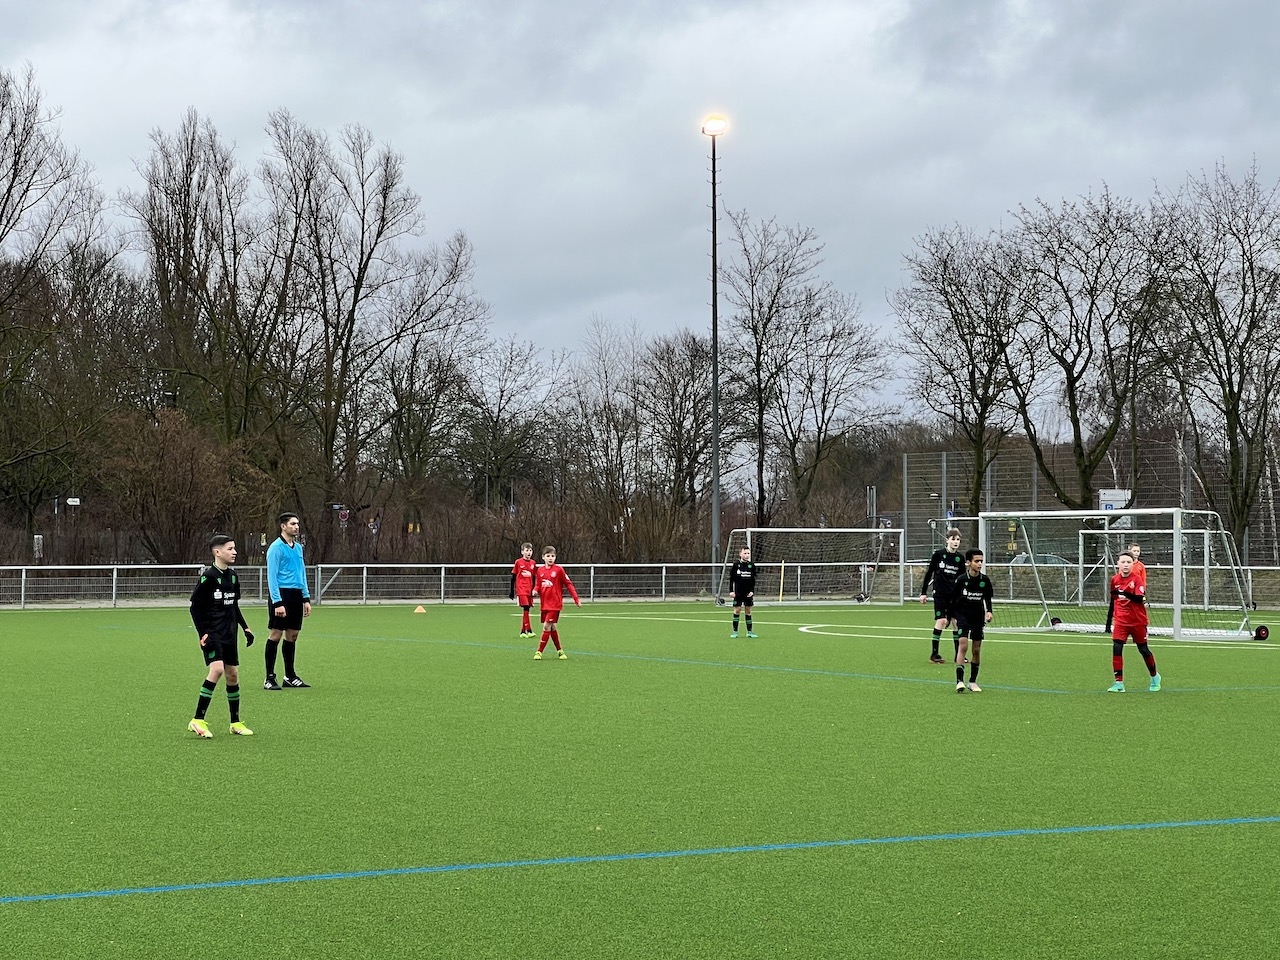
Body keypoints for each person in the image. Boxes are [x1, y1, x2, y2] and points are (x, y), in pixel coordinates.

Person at [188, 534, 255, 738]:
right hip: (213, 633)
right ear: (217, 552)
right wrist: (203, 633)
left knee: (232, 674)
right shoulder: (208, 577)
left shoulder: (233, 576)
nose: (234, 552)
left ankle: (235, 722)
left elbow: (233, 605)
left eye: (234, 548)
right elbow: (195, 607)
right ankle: (197, 720)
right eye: (230, 549)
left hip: (229, 633)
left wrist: (245, 627)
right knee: (216, 669)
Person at [264, 511, 312, 690]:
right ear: (283, 526)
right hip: (281, 594)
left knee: (292, 635)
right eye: (292, 524)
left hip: (296, 595)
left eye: (297, 524)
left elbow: (302, 573)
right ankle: (269, 677)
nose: (296, 527)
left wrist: (305, 598)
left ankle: (290, 676)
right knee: (276, 634)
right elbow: (272, 576)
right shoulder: (276, 548)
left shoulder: (298, 548)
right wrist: (277, 602)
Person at [1105, 552, 1160, 692]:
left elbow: (1139, 598)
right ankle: (1119, 683)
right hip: (1121, 621)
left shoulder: (1137, 579)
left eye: (1128, 562)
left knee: (1143, 649)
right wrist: (1108, 621)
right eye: (1123, 562)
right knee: (1117, 648)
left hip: (1137, 621)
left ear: (1132, 564)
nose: (1125, 565)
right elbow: (1113, 599)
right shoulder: (1114, 580)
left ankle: (1155, 677)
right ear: (1118, 563)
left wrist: (1125, 593)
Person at [951, 548, 993, 693]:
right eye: (977, 561)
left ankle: (973, 682)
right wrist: (951, 616)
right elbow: (953, 599)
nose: (980, 564)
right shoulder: (961, 580)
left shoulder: (985, 580)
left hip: (977, 617)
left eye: (981, 561)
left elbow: (987, 598)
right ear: (969, 562)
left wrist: (989, 611)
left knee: (976, 649)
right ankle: (959, 681)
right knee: (963, 646)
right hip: (963, 617)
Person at [919, 528, 964, 663]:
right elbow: (929, 573)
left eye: (958, 539)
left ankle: (958, 655)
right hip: (940, 593)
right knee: (941, 620)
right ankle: (934, 654)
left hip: (954, 595)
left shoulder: (960, 558)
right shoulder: (938, 555)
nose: (956, 542)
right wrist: (923, 592)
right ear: (947, 540)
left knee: (956, 623)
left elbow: (962, 579)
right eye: (953, 539)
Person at [533, 545, 580, 659]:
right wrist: (535, 590)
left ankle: (539, 652)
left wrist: (576, 599)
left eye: (552, 556)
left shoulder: (559, 570)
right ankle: (560, 651)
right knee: (552, 627)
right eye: (548, 556)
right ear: (543, 557)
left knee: (546, 626)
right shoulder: (540, 570)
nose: (550, 558)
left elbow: (568, 584)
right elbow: (538, 584)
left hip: (555, 604)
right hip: (545, 604)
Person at [509, 542, 539, 638]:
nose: (529, 552)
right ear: (522, 552)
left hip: (529, 590)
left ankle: (523, 631)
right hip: (521, 589)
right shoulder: (518, 562)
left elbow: (534, 577)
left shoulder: (533, 563)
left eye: (530, 550)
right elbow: (513, 577)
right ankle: (529, 630)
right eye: (527, 550)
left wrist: (534, 589)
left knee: (527, 609)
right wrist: (512, 591)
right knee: (526, 607)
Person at [728, 546, 757, 638]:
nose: (747, 555)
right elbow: (731, 579)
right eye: (745, 553)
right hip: (738, 592)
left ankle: (749, 632)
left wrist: (752, 591)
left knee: (748, 611)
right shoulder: (736, 565)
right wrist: (731, 591)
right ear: (740, 554)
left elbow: (753, 580)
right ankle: (735, 632)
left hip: (748, 593)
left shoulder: (751, 565)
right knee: (737, 610)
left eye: (748, 553)